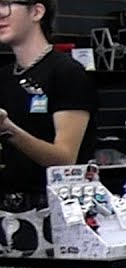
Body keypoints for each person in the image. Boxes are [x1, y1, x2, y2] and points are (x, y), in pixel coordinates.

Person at [0, 0, 96, 211]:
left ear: (36, 12)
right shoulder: (5, 76)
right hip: (8, 214)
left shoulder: (66, 73)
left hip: (55, 215)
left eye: (6, 4)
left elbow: (64, 159)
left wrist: (8, 129)